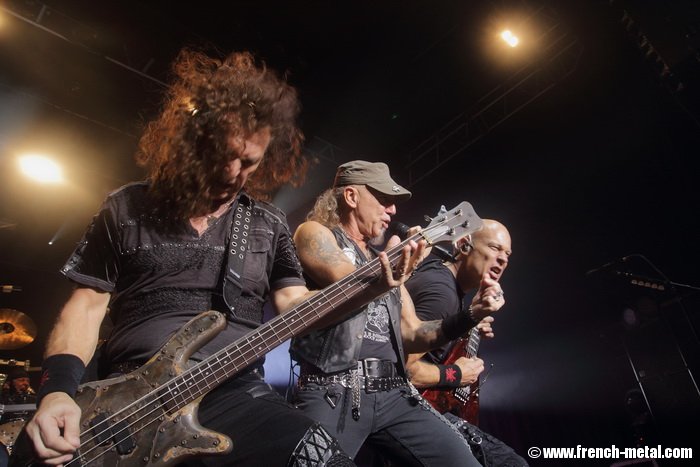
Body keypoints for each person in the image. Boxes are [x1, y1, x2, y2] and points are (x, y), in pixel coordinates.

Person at [21, 49, 422, 467]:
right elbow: (85, 307)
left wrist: (371, 286)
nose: (232, 173)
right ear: (194, 140)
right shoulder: (126, 207)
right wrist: (56, 393)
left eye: (248, 162)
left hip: (237, 393)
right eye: (222, 154)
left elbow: (295, 305)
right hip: (127, 404)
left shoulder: (268, 223)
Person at [289, 161, 504, 466]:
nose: (392, 210)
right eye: (384, 200)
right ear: (351, 196)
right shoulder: (315, 233)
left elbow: (413, 333)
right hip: (333, 389)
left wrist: (469, 315)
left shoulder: (386, 262)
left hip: (393, 391)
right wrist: (395, 263)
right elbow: (344, 281)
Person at [403, 219, 529, 467]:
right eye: (494, 248)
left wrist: (466, 325)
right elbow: (402, 371)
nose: (502, 260)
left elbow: (431, 342)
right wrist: (456, 374)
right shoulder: (443, 295)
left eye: (507, 254)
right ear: (463, 244)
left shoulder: (445, 282)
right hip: (410, 411)